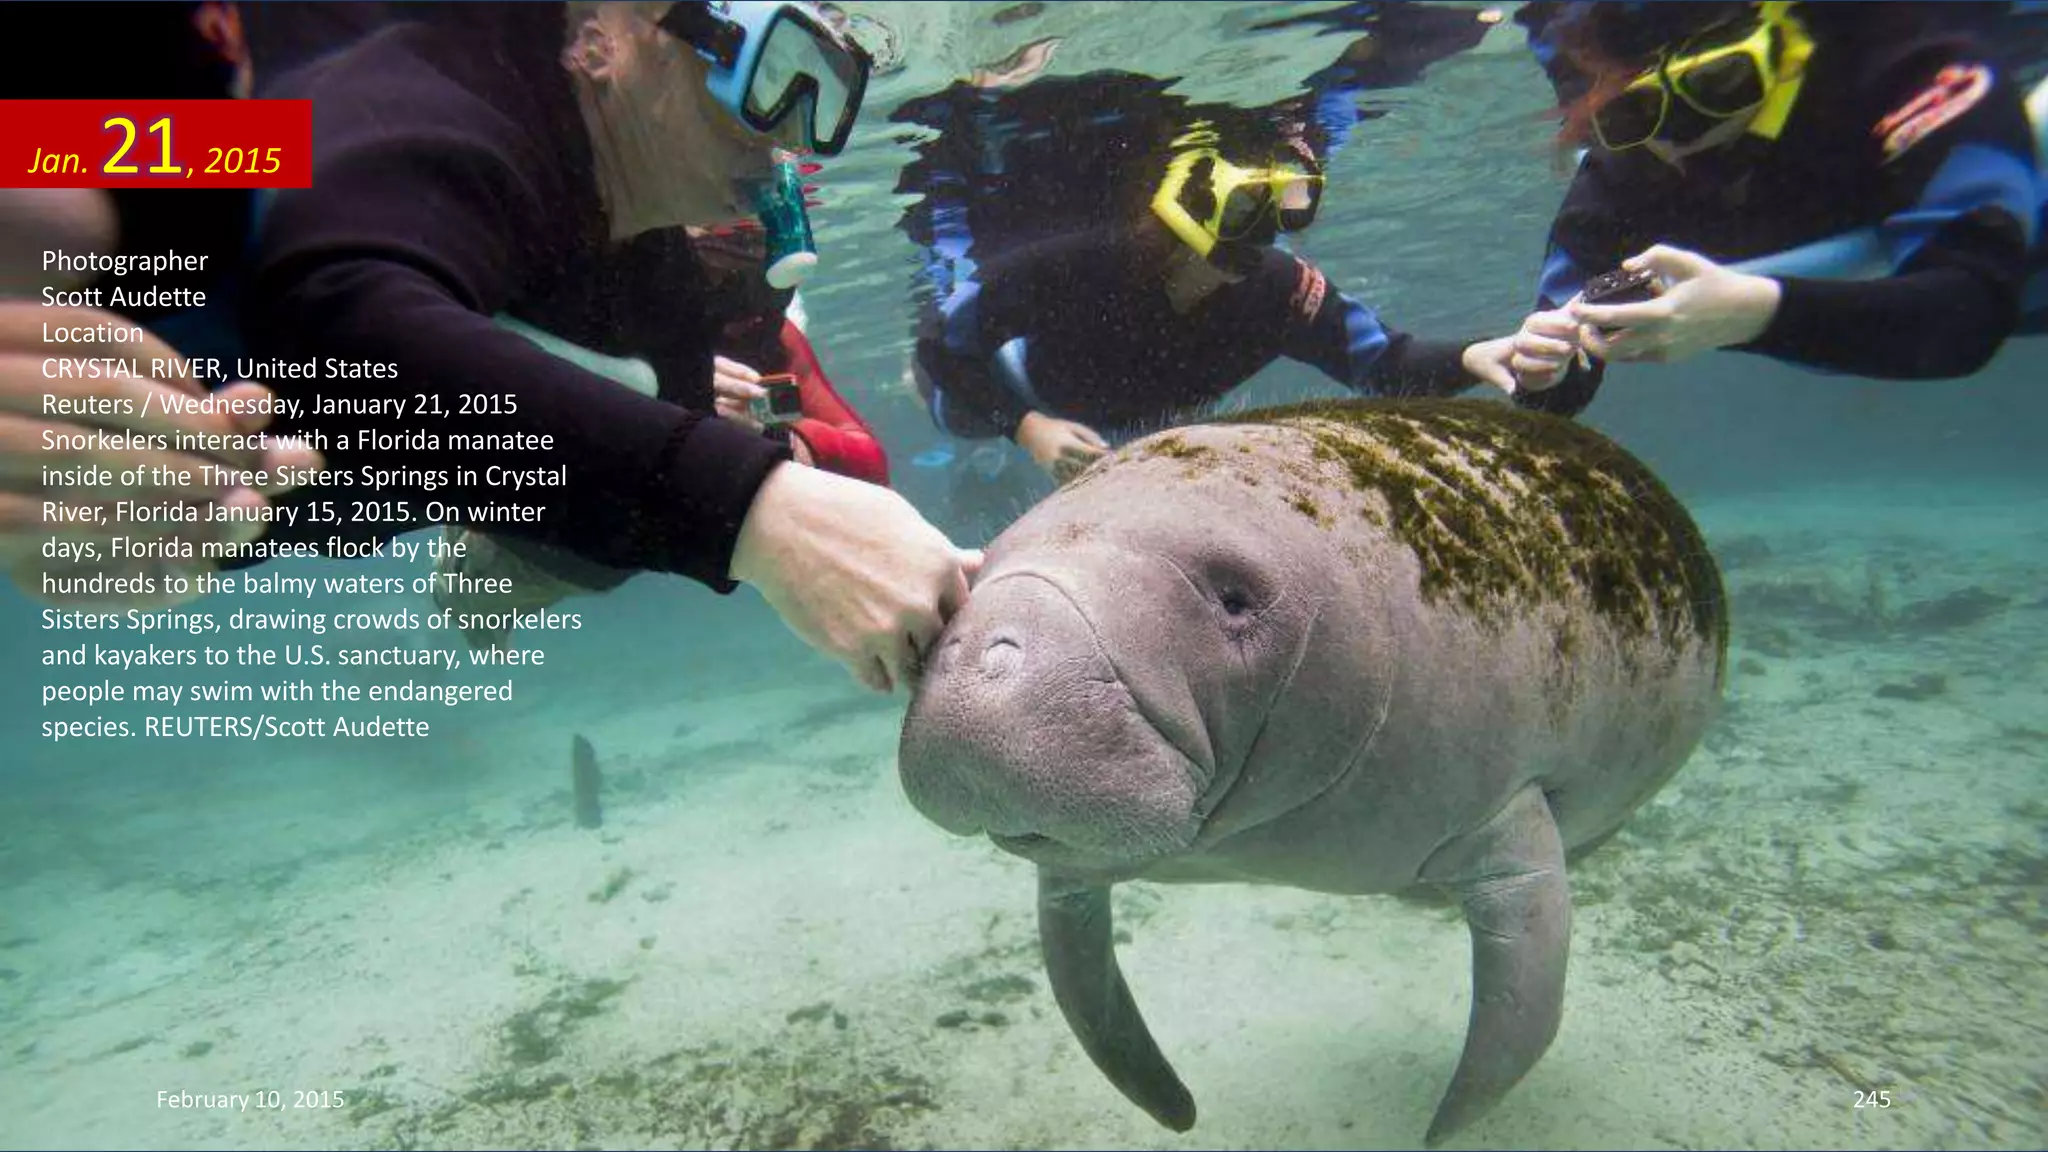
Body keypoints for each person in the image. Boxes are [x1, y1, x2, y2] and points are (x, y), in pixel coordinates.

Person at [240, 0, 974, 693]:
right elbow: (339, 324)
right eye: (766, 69)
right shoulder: (429, 90)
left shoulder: (654, 280)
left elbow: (645, 488)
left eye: (819, 98)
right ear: (600, 39)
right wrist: (767, 514)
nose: (782, 132)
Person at [1467, 1, 2045, 410]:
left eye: (1716, 85)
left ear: (1780, 46)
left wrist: (1755, 315)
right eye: (1631, 117)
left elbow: (1968, 313)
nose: (1683, 138)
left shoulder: (1906, 64)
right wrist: (1545, 372)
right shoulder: (1618, 182)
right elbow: (1562, 389)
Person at [914, 127, 1480, 485]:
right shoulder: (1080, 264)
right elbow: (941, 344)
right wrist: (1026, 428)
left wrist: (1479, 357)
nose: (1261, 240)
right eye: (1243, 210)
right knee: (952, 414)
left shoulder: (1278, 291)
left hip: (1133, 425)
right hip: (1025, 389)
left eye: (1283, 208)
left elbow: (1384, 365)